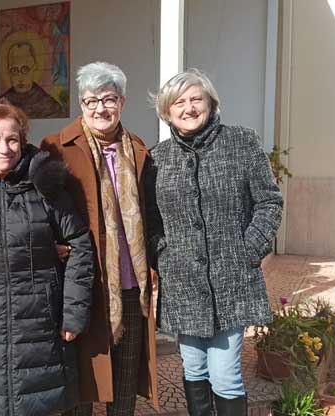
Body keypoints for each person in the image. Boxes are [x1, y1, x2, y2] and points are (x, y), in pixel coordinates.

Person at [0, 98, 94, 416]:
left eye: (12, 139)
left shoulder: (45, 186)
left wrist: (73, 313)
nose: (4, 149)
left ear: (23, 141)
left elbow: (79, 244)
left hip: (38, 323)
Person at [145, 69, 283, 415]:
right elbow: (150, 220)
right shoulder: (156, 158)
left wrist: (248, 251)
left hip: (231, 281)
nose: (189, 108)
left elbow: (269, 202)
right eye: (179, 102)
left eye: (196, 99)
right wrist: (163, 256)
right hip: (183, 284)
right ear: (167, 111)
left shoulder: (241, 142)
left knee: (225, 375)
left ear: (211, 103)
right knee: (194, 369)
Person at [41, 61, 159, 416]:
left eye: (108, 99)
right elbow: (38, 209)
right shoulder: (56, 148)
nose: (100, 108)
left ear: (122, 102)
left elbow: (151, 212)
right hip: (83, 285)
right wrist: (47, 244)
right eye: (91, 100)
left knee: (124, 383)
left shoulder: (137, 149)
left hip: (129, 285)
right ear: (81, 104)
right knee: (82, 383)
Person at [0, 41, 66, 119]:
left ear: (34, 68)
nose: (20, 77)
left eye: (25, 69)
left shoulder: (50, 105)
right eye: (14, 70)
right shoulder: (2, 104)